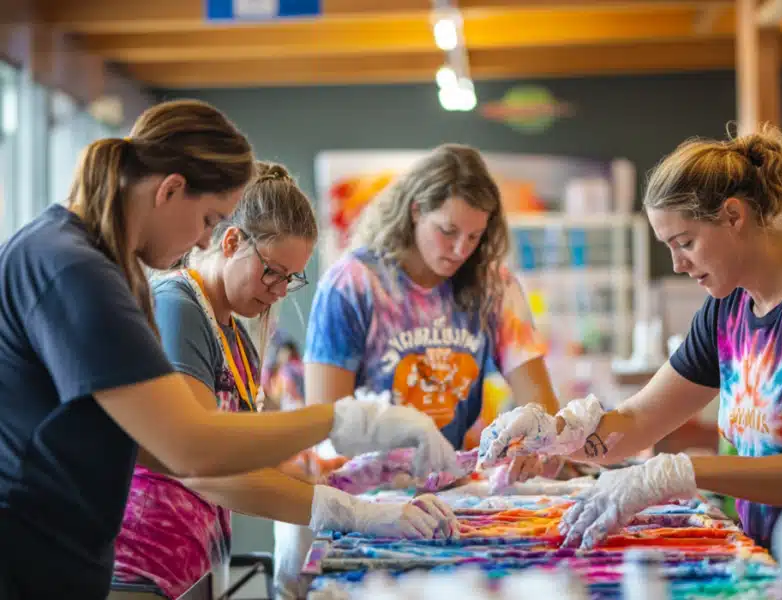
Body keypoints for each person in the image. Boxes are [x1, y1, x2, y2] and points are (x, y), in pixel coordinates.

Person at [0, 101, 459, 600]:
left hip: (68, 559)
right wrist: (342, 420)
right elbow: (189, 448)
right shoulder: (76, 269)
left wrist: (344, 485)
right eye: (208, 219)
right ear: (170, 189)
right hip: (37, 560)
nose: (203, 241)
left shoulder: (86, 262)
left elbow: (153, 445)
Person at [479, 125, 782, 552]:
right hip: (774, 556)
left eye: (685, 243)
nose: (678, 264)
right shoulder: (729, 307)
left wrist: (681, 472)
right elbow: (638, 421)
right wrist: (557, 434)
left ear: (734, 216)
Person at [112, 162, 459, 599]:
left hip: (192, 570)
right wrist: (348, 511)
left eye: (290, 278)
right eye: (272, 272)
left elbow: (244, 458)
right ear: (232, 241)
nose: (279, 290)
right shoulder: (177, 307)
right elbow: (201, 465)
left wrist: (356, 482)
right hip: (141, 569)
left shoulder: (236, 336)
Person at [272, 144, 566, 598]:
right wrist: (398, 452)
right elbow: (326, 417)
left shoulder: (493, 286)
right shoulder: (354, 282)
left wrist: (535, 437)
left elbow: (540, 402)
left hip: (449, 494)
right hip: (359, 498)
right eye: (448, 231)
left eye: (475, 236)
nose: (460, 249)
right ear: (415, 211)